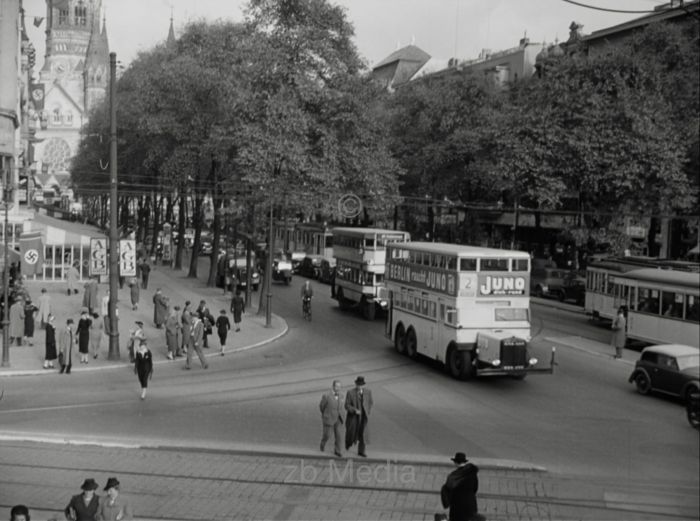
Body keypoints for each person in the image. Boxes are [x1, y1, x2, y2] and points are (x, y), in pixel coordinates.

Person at [440, 452, 482, 521]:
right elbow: (475, 488)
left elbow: (447, 491)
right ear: (464, 462)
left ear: (455, 463)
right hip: (470, 504)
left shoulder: (452, 477)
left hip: (457, 506)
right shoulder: (472, 473)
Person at [345, 376, 373, 457]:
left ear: (363, 385)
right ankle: (348, 443)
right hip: (353, 418)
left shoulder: (368, 392)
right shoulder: (350, 392)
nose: (359, 386)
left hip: (363, 418)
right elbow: (347, 405)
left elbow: (370, 402)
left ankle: (361, 451)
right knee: (351, 433)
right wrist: (354, 410)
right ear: (355, 384)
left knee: (363, 434)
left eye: (361, 385)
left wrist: (367, 411)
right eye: (358, 384)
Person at [319, 380, 344, 457]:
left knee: (339, 436)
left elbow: (341, 406)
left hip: (338, 418)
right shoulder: (326, 396)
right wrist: (325, 414)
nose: (338, 388)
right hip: (329, 418)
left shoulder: (341, 395)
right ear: (333, 386)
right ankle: (322, 443)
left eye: (339, 387)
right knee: (327, 435)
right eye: (337, 386)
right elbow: (321, 406)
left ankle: (337, 450)